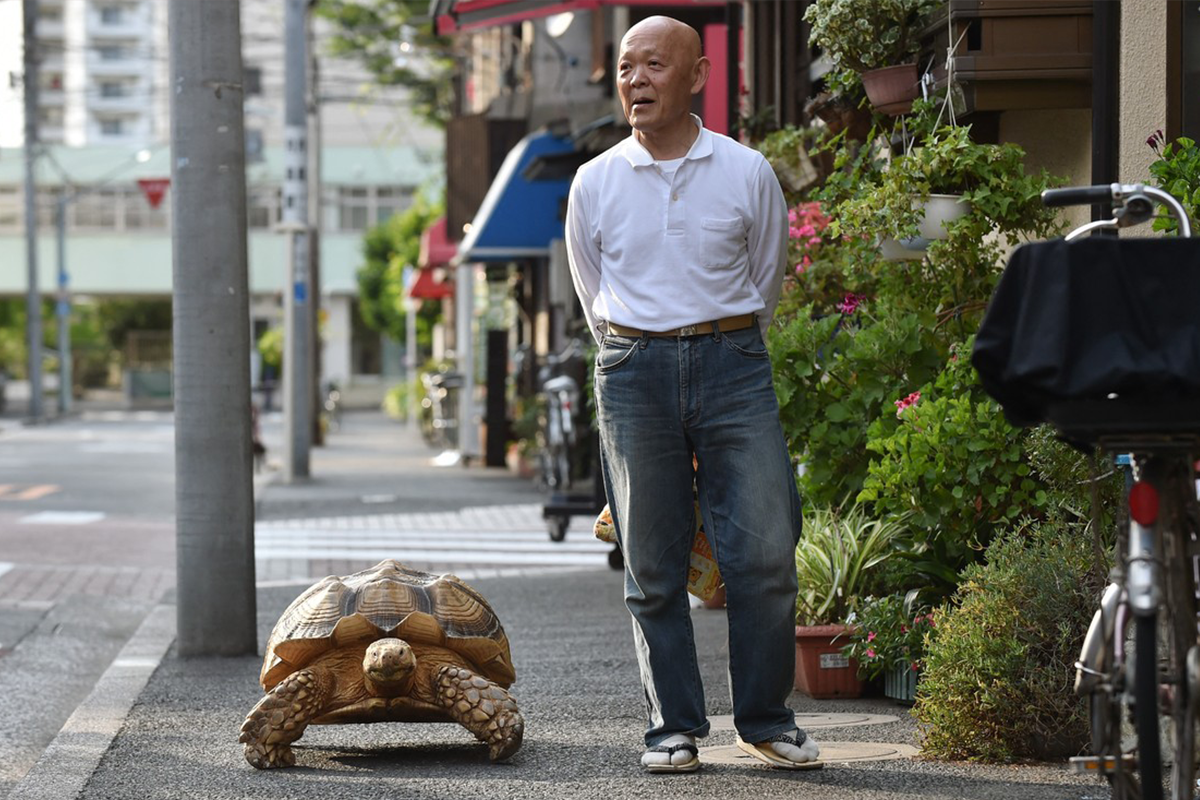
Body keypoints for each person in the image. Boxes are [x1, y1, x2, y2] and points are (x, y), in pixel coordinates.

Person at [564, 15, 821, 773]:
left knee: (767, 552)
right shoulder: (595, 180)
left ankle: (766, 720)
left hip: (733, 360)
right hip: (633, 369)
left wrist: (720, 337)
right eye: (625, 68)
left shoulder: (745, 171)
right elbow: (592, 290)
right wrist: (638, 344)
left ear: (698, 74)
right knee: (650, 561)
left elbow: (765, 278)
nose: (636, 80)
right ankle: (671, 727)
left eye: (653, 66)